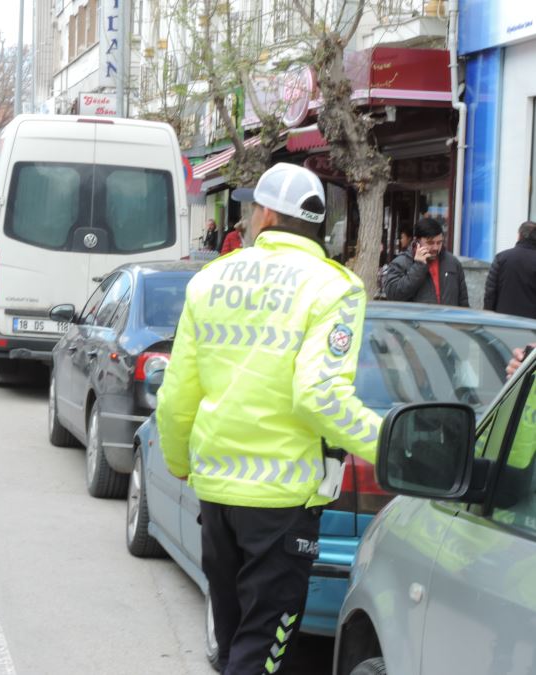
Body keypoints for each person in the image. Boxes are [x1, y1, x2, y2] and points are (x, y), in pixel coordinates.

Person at [156, 163, 382, 674]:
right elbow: (320, 395)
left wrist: (178, 460)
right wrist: (392, 444)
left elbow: (177, 396)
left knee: (237, 645)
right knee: (260, 656)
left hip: (216, 498)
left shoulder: (211, 279)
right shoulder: (335, 288)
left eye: (253, 206)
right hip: (281, 504)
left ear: (267, 214)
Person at [383, 217, 469, 306]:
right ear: (417, 241)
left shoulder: (453, 263)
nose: (435, 247)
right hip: (416, 319)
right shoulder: (401, 263)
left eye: (439, 242)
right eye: (430, 243)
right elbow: (393, 295)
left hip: (447, 319)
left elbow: (463, 301)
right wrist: (418, 266)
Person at [484, 221, 536, 319]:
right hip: (531, 325)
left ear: (519, 236)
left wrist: (488, 315)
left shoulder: (501, 258)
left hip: (504, 321)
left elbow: (490, 293)